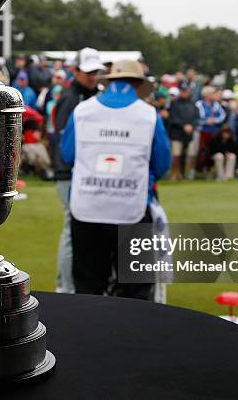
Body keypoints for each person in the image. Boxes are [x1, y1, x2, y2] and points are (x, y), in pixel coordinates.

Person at [61, 59, 170, 300]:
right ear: (137, 83)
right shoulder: (149, 115)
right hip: (132, 207)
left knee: (88, 289)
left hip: (87, 208)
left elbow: (67, 155)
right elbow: (161, 164)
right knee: (136, 291)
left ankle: (88, 336)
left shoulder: (82, 111)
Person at [52, 47, 104, 294]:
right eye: (87, 72)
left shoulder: (93, 96)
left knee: (80, 229)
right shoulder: (70, 99)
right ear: (75, 71)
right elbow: (63, 143)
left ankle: (73, 284)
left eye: (95, 72)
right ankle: (65, 286)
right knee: (71, 229)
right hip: (69, 173)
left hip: (85, 173)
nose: (92, 76)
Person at [167, 81, 199, 180]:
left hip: (189, 134)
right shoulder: (174, 103)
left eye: (186, 90)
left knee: (190, 155)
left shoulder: (193, 103)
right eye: (182, 90)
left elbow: (196, 118)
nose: (184, 92)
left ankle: (185, 174)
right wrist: (183, 126)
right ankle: (174, 175)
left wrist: (191, 126)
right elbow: (173, 118)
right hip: (177, 133)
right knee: (176, 155)